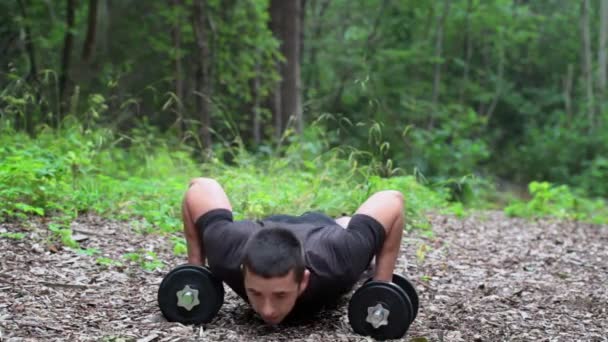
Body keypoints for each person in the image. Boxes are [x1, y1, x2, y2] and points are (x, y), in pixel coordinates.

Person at [182, 177, 405, 325]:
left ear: (304, 281)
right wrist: (196, 270)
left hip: (323, 230)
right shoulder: (227, 251)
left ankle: (343, 222)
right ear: (243, 271)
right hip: (265, 230)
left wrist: (381, 285)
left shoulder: (339, 259)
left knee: (348, 230)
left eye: (280, 295)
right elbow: (200, 185)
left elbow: (392, 199)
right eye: (256, 293)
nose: (267, 310)